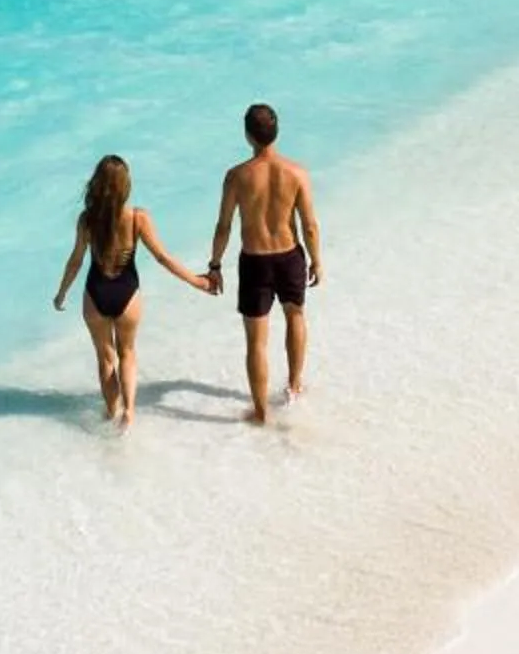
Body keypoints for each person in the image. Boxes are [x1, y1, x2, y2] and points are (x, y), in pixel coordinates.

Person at [52, 154, 215, 429]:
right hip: (127, 294)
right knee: (127, 353)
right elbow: (163, 257)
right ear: (125, 185)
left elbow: (76, 260)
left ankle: (110, 411)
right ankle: (129, 412)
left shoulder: (87, 220)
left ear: (96, 184)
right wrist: (197, 282)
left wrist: (61, 293)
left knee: (105, 359)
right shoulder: (138, 218)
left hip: (95, 294)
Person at [204, 103, 322, 425]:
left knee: (256, 340)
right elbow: (309, 225)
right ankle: (294, 386)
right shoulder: (297, 173)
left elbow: (223, 226)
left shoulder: (237, 176)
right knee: (295, 315)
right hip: (289, 256)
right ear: (277, 131)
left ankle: (259, 412)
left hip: (255, 261)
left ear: (247, 135)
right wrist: (316, 260)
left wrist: (214, 264)